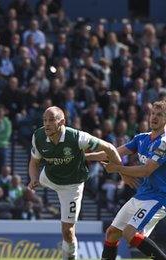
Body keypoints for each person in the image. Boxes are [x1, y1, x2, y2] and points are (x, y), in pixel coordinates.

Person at [28, 106, 122, 260]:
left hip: (71, 186)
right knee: (28, 188)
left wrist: (121, 171)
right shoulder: (38, 136)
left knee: (68, 231)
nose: (47, 124)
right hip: (49, 177)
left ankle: (70, 257)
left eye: (51, 120)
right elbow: (34, 162)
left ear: (62, 122)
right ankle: (88, 157)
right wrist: (33, 179)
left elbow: (110, 147)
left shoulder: (77, 137)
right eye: (45, 120)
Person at [86, 101, 166, 260]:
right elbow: (112, 153)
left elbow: (146, 170)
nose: (154, 117)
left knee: (130, 233)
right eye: (153, 114)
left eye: (160, 115)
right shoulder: (142, 138)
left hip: (158, 198)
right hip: (141, 195)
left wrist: (119, 169)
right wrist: (83, 157)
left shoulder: (164, 143)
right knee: (112, 233)